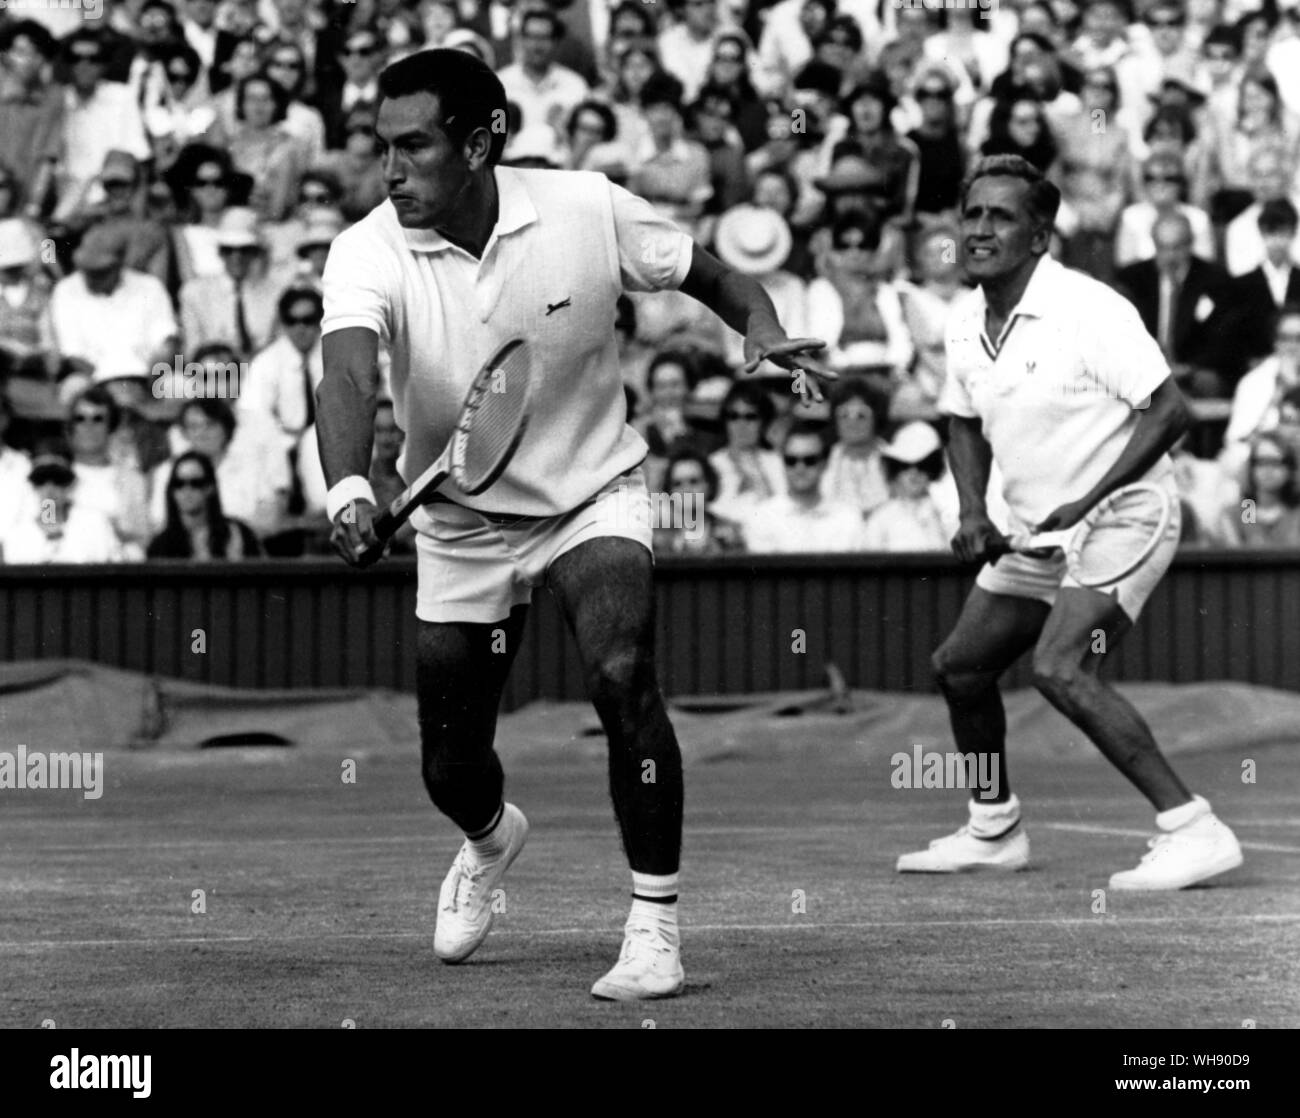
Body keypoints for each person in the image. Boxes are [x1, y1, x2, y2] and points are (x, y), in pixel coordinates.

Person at [317, 49, 828, 1001]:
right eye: (380, 147)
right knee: (451, 763)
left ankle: (655, 928)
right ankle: (489, 839)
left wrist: (758, 325)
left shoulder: (588, 207)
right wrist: (350, 489)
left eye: (413, 146)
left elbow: (712, 276)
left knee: (622, 671)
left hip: (594, 491)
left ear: (480, 144)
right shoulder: (366, 249)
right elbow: (346, 374)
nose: (389, 171)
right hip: (462, 520)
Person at [902, 153, 1243, 890]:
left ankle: (1194, 827)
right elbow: (961, 421)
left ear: (1039, 237)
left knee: (1060, 665)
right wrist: (969, 510)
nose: (981, 230)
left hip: (1127, 515)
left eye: (1001, 217)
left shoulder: (1090, 309)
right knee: (960, 667)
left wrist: (1086, 502)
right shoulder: (964, 324)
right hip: (1038, 529)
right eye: (973, 215)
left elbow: (1170, 410)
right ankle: (992, 827)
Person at [740, 421, 865, 553]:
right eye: (791, 460)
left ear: (824, 463)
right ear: (782, 463)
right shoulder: (761, 518)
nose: (800, 468)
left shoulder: (848, 518)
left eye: (809, 460)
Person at [0, 448, 123, 564]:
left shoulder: (96, 525)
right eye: (41, 481)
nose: (50, 489)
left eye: (58, 480)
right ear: (33, 487)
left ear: (71, 485)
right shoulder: (17, 535)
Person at [147, 449, 262, 558]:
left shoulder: (238, 534)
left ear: (210, 488)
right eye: (179, 483)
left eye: (196, 483)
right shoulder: (159, 546)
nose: (187, 490)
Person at [862, 420, 951, 551]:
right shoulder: (881, 518)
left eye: (923, 466)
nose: (913, 473)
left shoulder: (948, 513)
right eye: (905, 466)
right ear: (895, 469)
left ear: (934, 468)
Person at [651, 449, 745, 556]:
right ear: (669, 491)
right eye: (677, 484)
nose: (686, 489)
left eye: (694, 481)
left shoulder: (730, 533)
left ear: (709, 485)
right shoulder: (657, 539)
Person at [1215, 432, 1300, 546]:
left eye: (1276, 462)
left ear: (1290, 469)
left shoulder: (1295, 512)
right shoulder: (1244, 511)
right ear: (1251, 467)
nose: (1268, 469)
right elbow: (1240, 556)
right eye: (1261, 462)